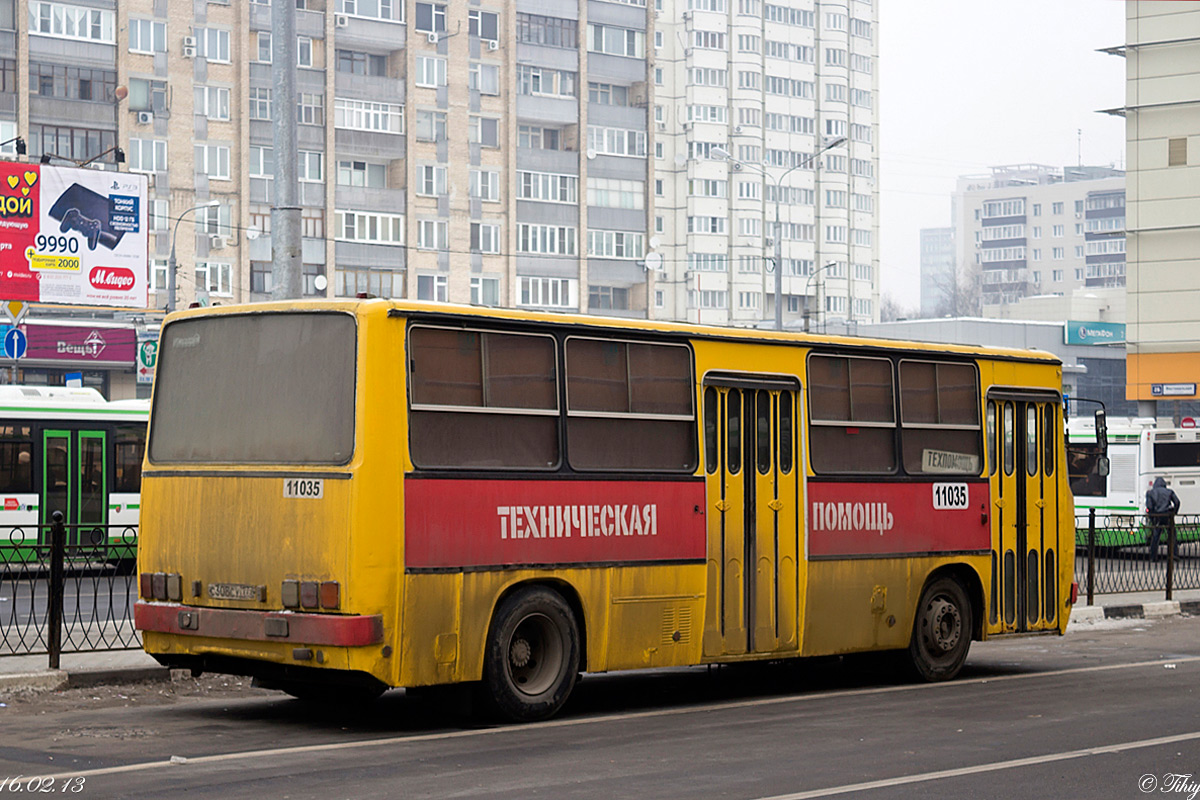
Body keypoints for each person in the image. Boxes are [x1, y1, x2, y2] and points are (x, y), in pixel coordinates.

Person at [1145, 477, 1181, 561]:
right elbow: (1177, 502)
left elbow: (1149, 506)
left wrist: (1152, 516)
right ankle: (1174, 554)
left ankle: (1153, 556)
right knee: (1172, 536)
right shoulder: (1169, 492)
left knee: (1156, 537)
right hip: (1168, 515)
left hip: (1157, 516)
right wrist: (1174, 512)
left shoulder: (1150, 493)